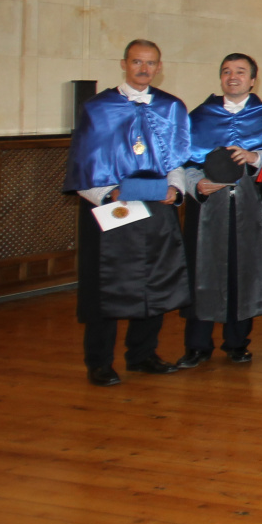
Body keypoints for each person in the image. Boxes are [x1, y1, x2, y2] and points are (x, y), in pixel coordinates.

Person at [64, 39, 191, 386]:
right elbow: (81, 168)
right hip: (112, 209)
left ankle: (142, 354)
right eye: (137, 62)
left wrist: (175, 190)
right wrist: (110, 193)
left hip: (155, 207)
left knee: (154, 282)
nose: (143, 69)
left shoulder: (172, 107)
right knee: (105, 286)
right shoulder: (97, 108)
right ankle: (100, 362)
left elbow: (177, 161)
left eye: (151, 63)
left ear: (159, 67)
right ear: (124, 64)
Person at [177, 53, 262, 368]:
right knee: (204, 272)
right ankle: (197, 345)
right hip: (208, 207)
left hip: (250, 207)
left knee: (244, 271)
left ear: (253, 79)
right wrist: (196, 183)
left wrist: (255, 157)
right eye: (226, 71)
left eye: (240, 72)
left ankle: (237, 342)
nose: (233, 77)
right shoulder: (199, 116)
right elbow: (182, 161)